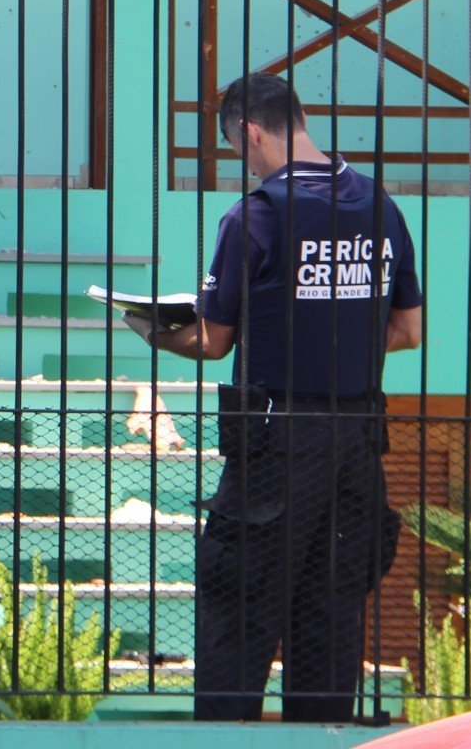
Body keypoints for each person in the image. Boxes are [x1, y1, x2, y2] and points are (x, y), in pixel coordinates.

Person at [125, 72, 424, 723]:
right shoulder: (381, 207)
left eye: (239, 145)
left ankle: (226, 738)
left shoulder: (254, 218)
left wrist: (152, 328)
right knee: (331, 605)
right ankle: (322, 734)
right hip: (357, 439)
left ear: (251, 132)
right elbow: (408, 331)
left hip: (277, 440)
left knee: (241, 601)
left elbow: (212, 340)